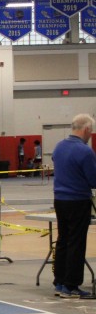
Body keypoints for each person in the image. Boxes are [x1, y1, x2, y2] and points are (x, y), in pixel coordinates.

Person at [51, 113, 96, 298]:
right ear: (86, 129)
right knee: (76, 243)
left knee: (63, 240)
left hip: (60, 200)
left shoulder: (59, 146)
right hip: (78, 200)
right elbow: (93, 180)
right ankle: (71, 285)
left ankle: (60, 282)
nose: (90, 135)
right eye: (91, 132)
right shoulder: (85, 151)